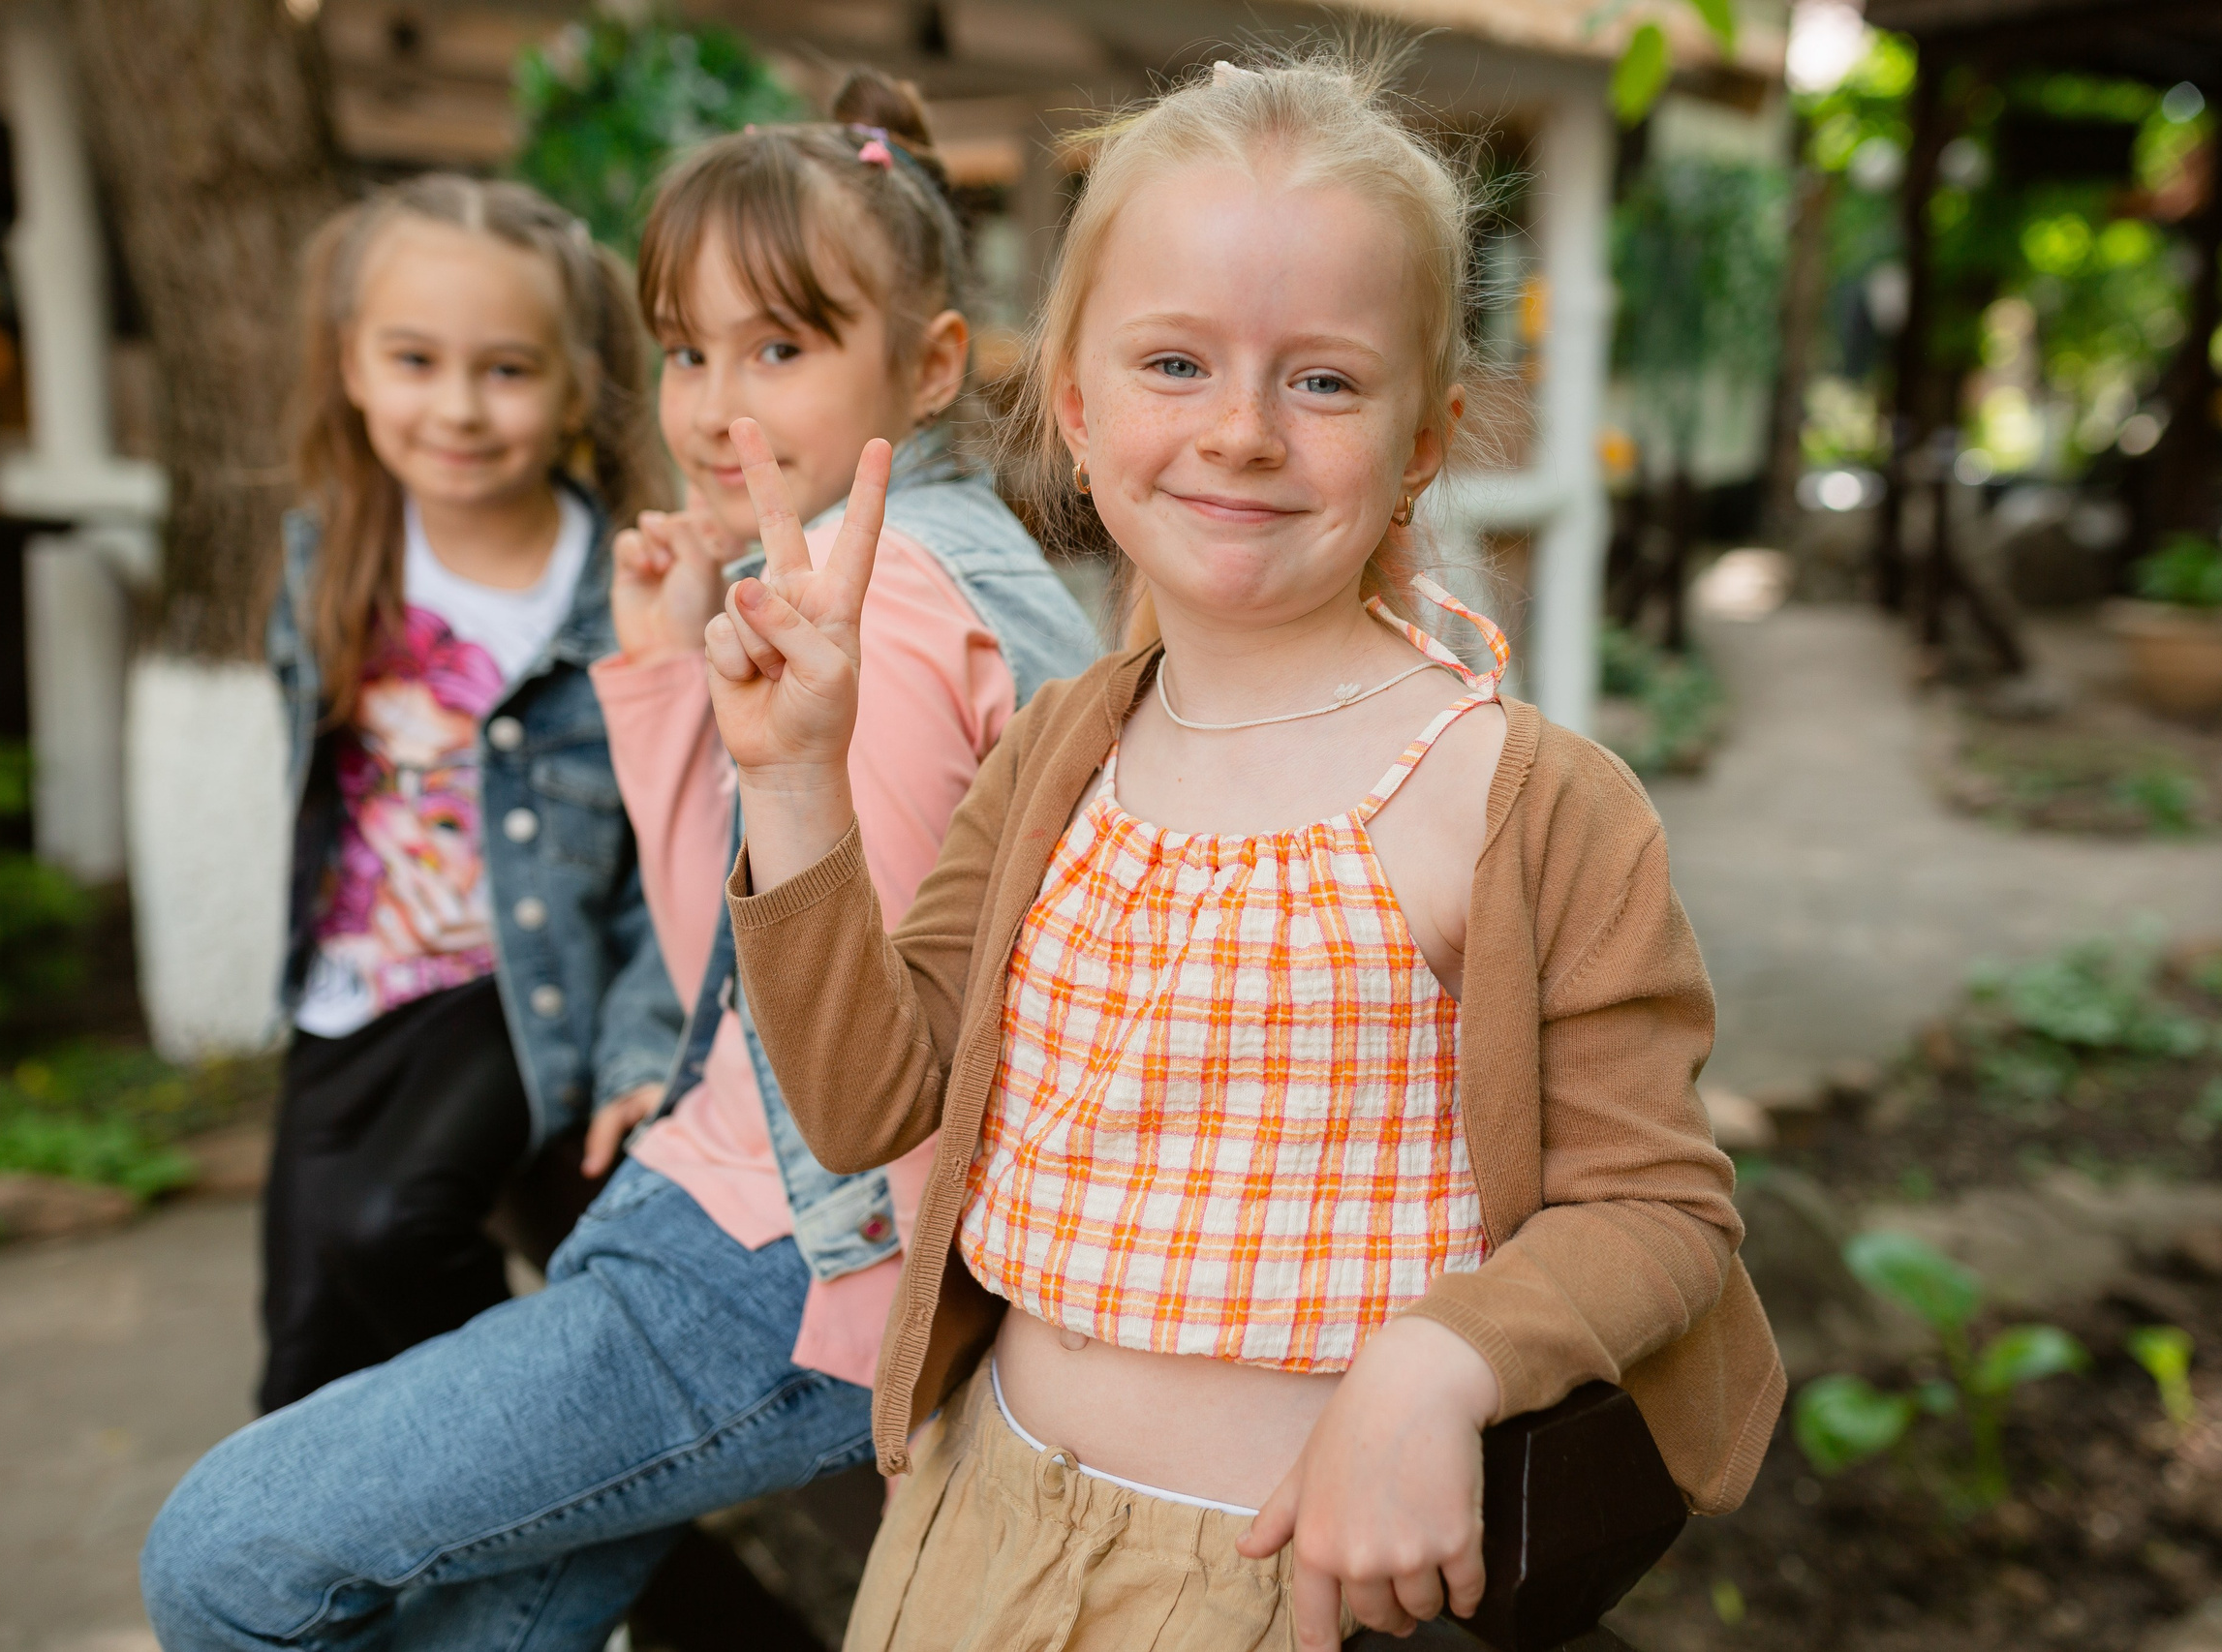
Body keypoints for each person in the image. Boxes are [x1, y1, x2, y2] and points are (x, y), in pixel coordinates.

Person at [708, 52, 1784, 1652]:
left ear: (1427, 433)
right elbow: (872, 1099)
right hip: (977, 1520)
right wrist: (794, 783)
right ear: (1075, 406)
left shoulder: (1520, 798)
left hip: (1293, 1582)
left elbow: (1658, 1208)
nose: (1242, 431)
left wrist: (1443, 1358)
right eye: (1174, 363)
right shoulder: (1056, 759)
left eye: (1325, 381)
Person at [141, 78, 1098, 1652]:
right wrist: (665, 675)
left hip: (779, 1275)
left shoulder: (900, 611)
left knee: (223, 1554)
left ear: (930, 366)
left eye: (780, 348)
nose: (717, 405)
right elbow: (748, 973)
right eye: (685, 350)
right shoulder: (937, 567)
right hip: (755, 1223)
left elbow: (860, 1063)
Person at [258, 173, 681, 1411]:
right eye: (413, 359)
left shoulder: (622, 583)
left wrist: (646, 1037)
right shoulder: (333, 548)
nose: (455, 406)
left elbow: (685, 835)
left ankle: (557, 1448)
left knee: (394, 1224)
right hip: (347, 994)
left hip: (515, 984)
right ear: (351, 363)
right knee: (298, 1359)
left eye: (504, 369)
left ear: (572, 386)